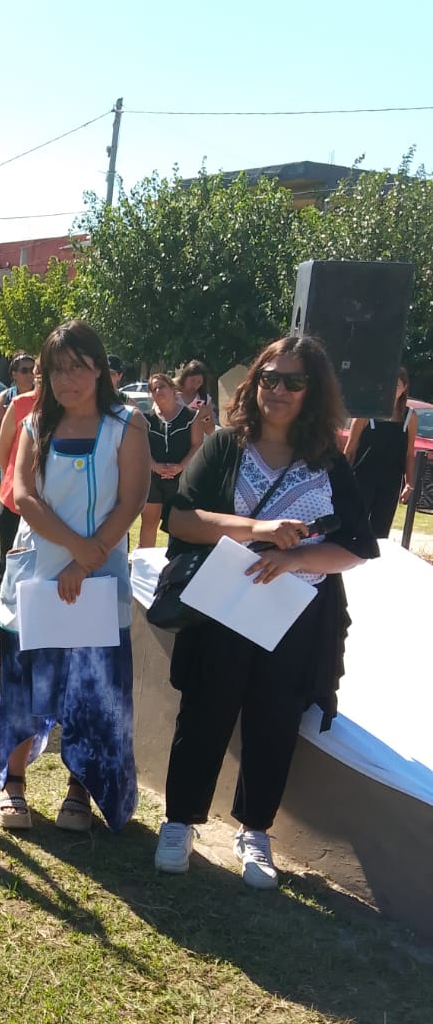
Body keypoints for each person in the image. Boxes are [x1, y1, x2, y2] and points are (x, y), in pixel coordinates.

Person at [154, 334, 378, 888]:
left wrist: (295, 557)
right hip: (222, 608)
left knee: (275, 721)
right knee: (203, 713)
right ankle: (179, 822)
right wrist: (256, 529)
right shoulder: (225, 447)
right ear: (254, 384)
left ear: (313, 391)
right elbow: (179, 518)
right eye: (269, 378)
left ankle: (254, 830)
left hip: (293, 618)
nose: (278, 389)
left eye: (293, 381)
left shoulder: (328, 462)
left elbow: (356, 546)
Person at [0, 321, 150, 833]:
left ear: (100, 369)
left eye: (78, 368)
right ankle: (13, 783)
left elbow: (131, 500)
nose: (68, 380)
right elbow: (23, 495)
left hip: (99, 580)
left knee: (93, 687)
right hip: (37, 575)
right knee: (24, 682)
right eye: (57, 370)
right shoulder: (35, 424)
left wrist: (85, 561)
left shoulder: (128, 424)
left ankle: (79, 788)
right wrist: (75, 552)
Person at [343, 367, 417, 538]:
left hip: (390, 481)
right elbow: (350, 449)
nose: (391, 389)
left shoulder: (410, 416)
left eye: (396, 385)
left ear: (404, 387)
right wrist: (342, 479)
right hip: (362, 477)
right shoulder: (366, 413)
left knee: (381, 531)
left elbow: (409, 453)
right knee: (355, 526)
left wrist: (408, 483)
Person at [0, 351, 39, 607]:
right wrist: (13, 481)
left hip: (47, 504)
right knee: (9, 564)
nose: (33, 376)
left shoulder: (67, 407)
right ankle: (3, 618)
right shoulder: (19, 404)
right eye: (28, 371)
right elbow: (3, 452)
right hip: (13, 502)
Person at [139, 371, 205, 548]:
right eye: (154, 389)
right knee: (149, 523)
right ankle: (144, 562)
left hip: (182, 478)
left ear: (172, 388)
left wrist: (181, 467)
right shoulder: (145, 419)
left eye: (162, 386)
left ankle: (177, 561)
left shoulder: (191, 416)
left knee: (179, 525)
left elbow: (197, 445)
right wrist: (154, 466)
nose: (158, 391)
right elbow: (140, 447)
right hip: (153, 478)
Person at [177, 358, 216, 437]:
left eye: (199, 382)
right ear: (185, 377)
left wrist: (205, 417)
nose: (195, 385)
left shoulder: (203, 398)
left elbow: (210, 431)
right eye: (192, 380)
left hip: (197, 441)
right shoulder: (171, 394)